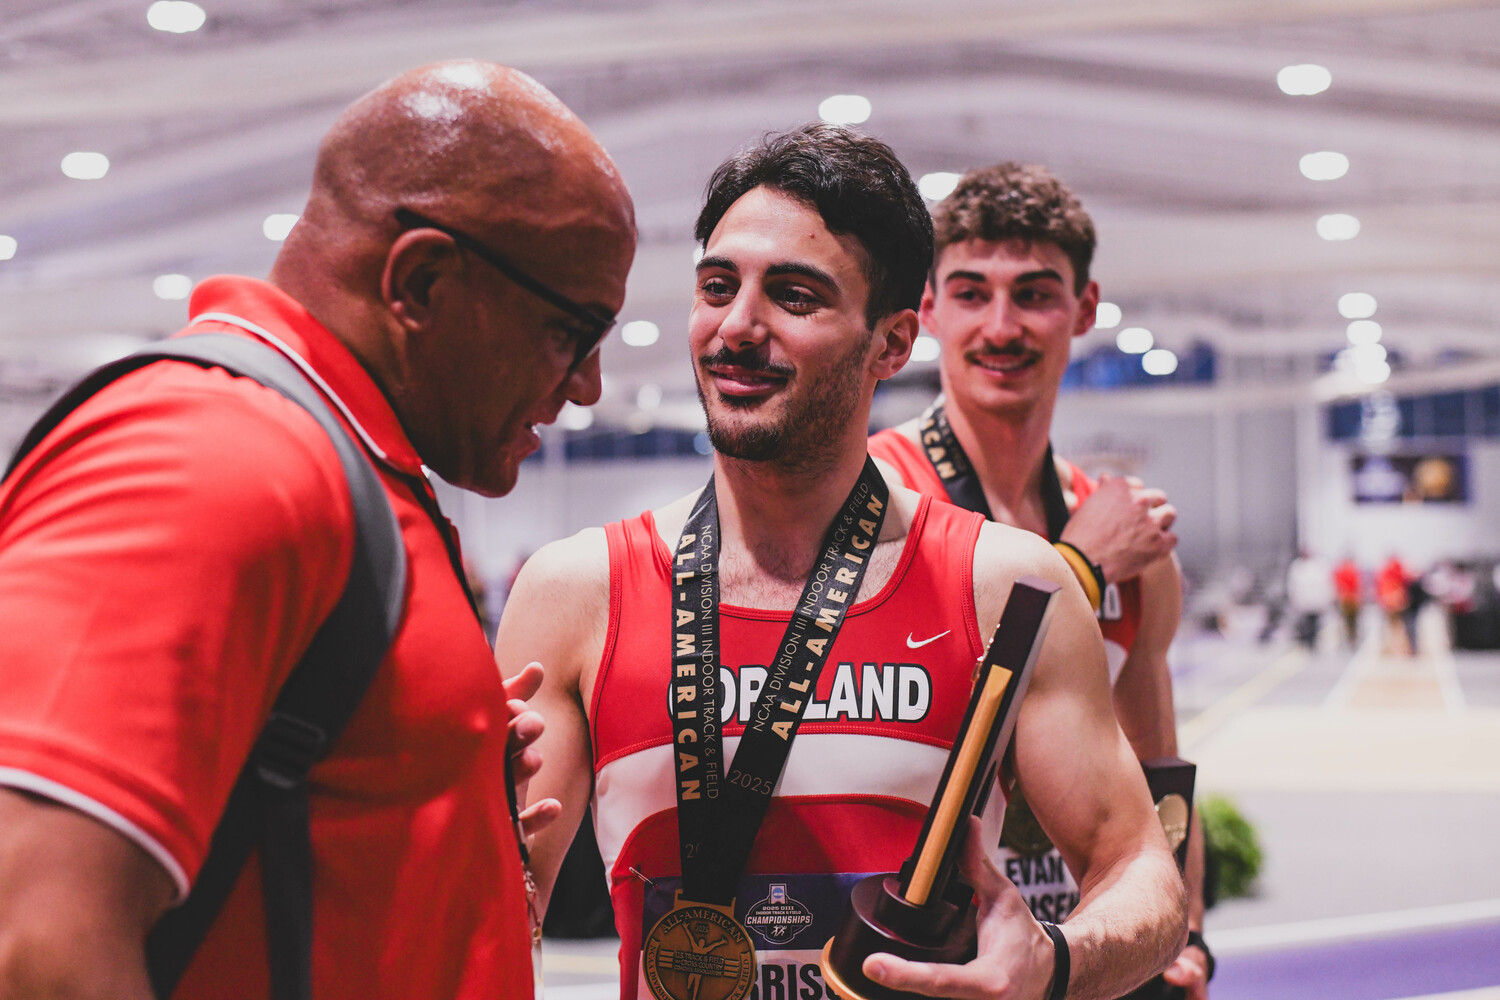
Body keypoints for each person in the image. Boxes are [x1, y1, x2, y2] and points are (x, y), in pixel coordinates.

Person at [499, 125, 1185, 1000]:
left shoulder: (1008, 587)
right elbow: (502, 906)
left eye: (794, 295)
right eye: (718, 286)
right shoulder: (577, 593)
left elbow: (1140, 870)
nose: (737, 326)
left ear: (893, 344)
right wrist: (480, 891)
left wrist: (1055, 962)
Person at [0, 61, 634, 1000]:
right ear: (419, 280)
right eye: (572, 331)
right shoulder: (219, 453)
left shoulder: (343, 469)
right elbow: (33, 944)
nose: (584, 384)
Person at [866, 162, 1210, 997]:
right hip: (920, 948)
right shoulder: (873, 500)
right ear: (929, 309)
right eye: (973, 291)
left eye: (1035, 292)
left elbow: (1157, 772)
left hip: (1070, 957)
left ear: (1084, 309)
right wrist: (1079, 572)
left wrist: (1187, 938)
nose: (1002, 325)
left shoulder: (1136, 541)